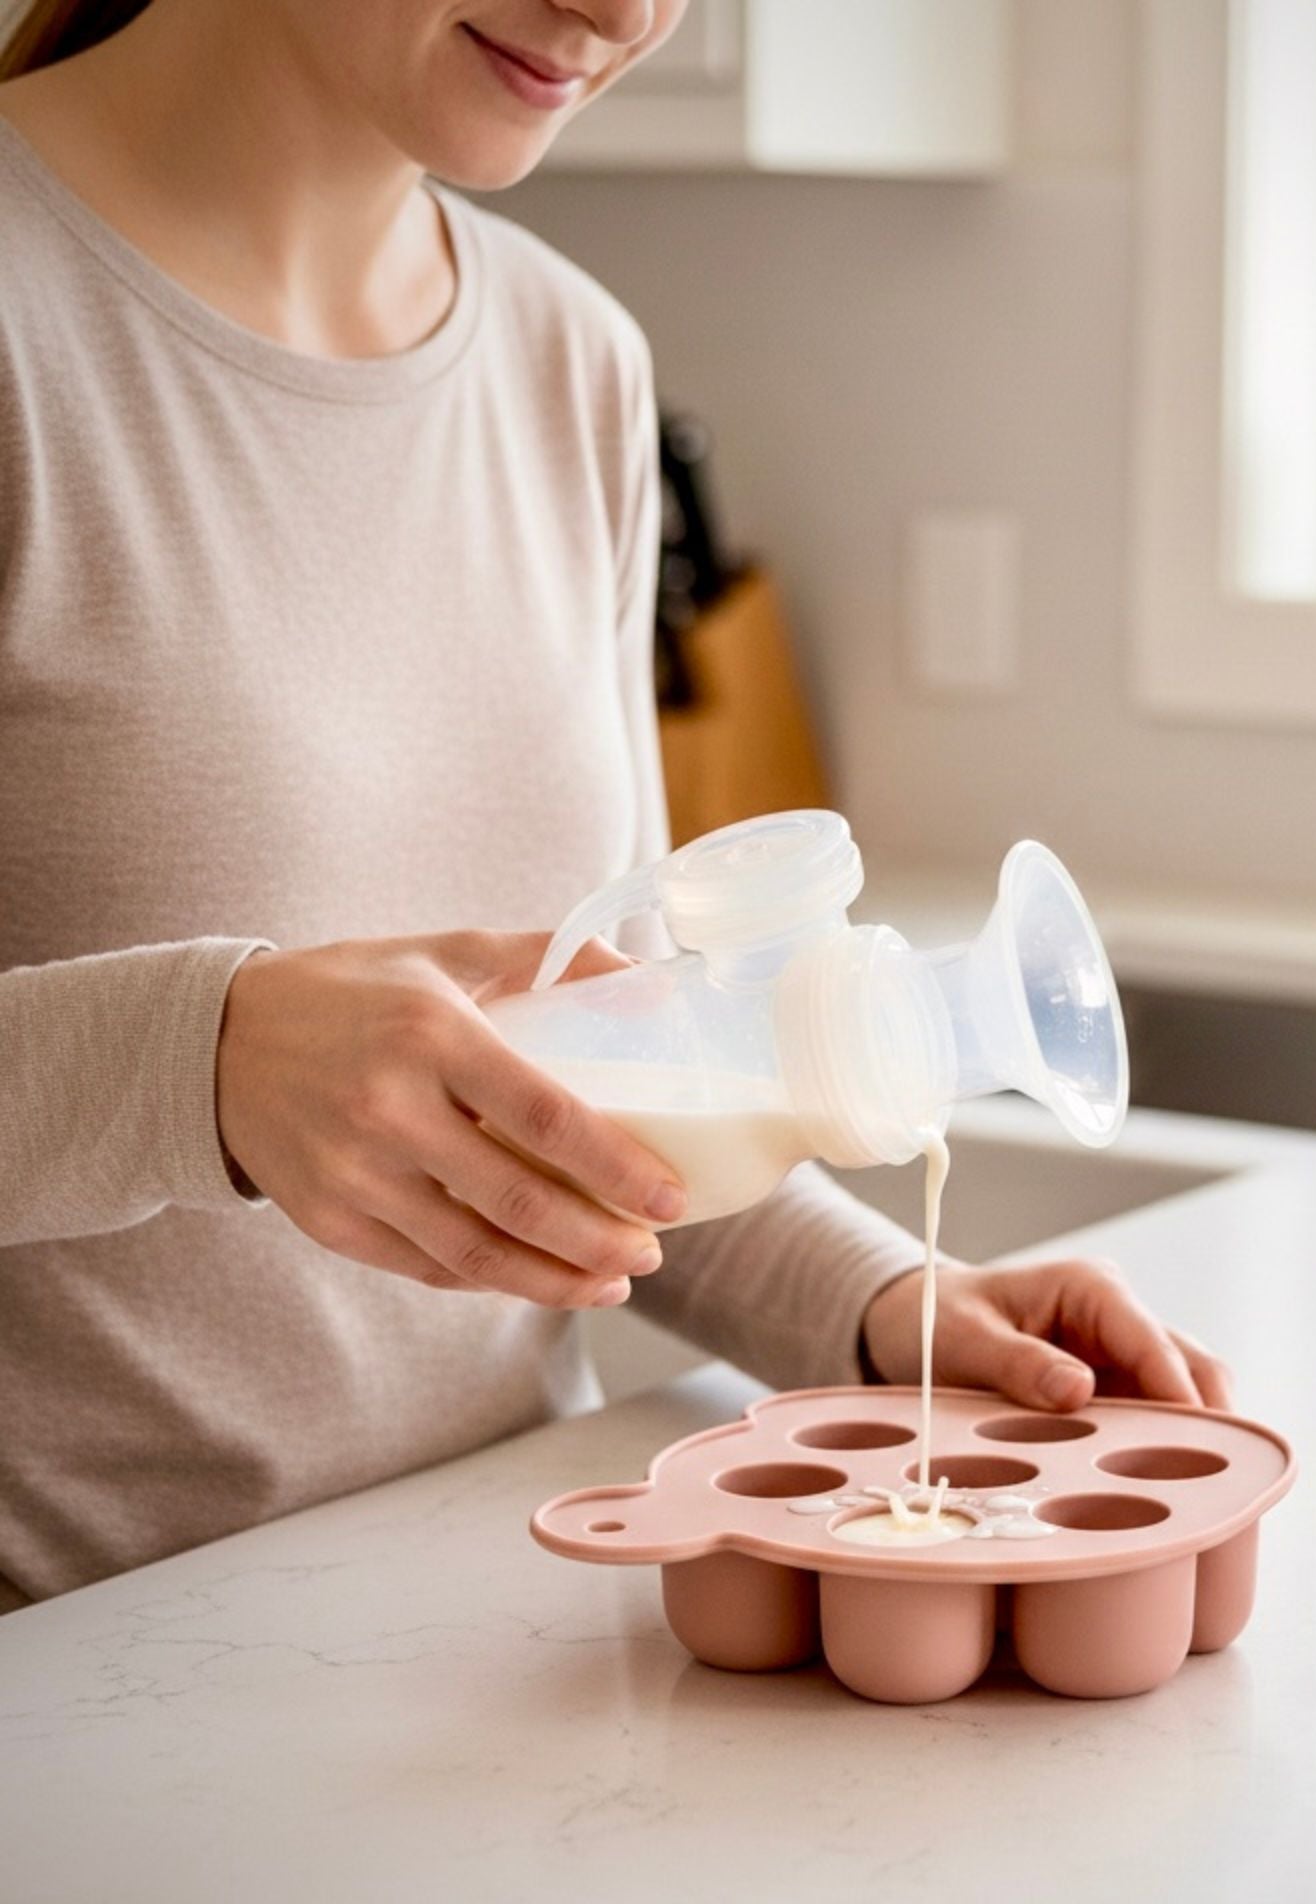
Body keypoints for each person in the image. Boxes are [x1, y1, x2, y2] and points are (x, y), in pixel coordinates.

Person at [0, 0, 1230, 1612]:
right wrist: (206, 1063)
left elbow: (616, 1080)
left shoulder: (571, 364)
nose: (632, 13)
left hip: (498, 1625)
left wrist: (895, 1310)